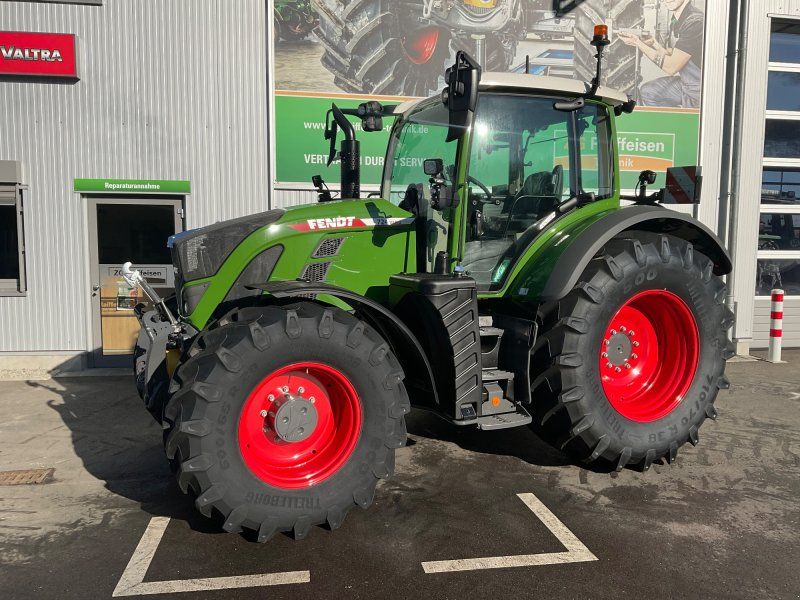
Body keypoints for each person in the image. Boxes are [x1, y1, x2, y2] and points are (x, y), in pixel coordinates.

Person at [619, 0, 705, 108]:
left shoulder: (695, 22)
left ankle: (680, 121)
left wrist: (638, 43)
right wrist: (655, 44)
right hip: (686, 83)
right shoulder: (676, 19)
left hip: (699, 88)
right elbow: (675, 55)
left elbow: (671, 67)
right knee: (648, 92)